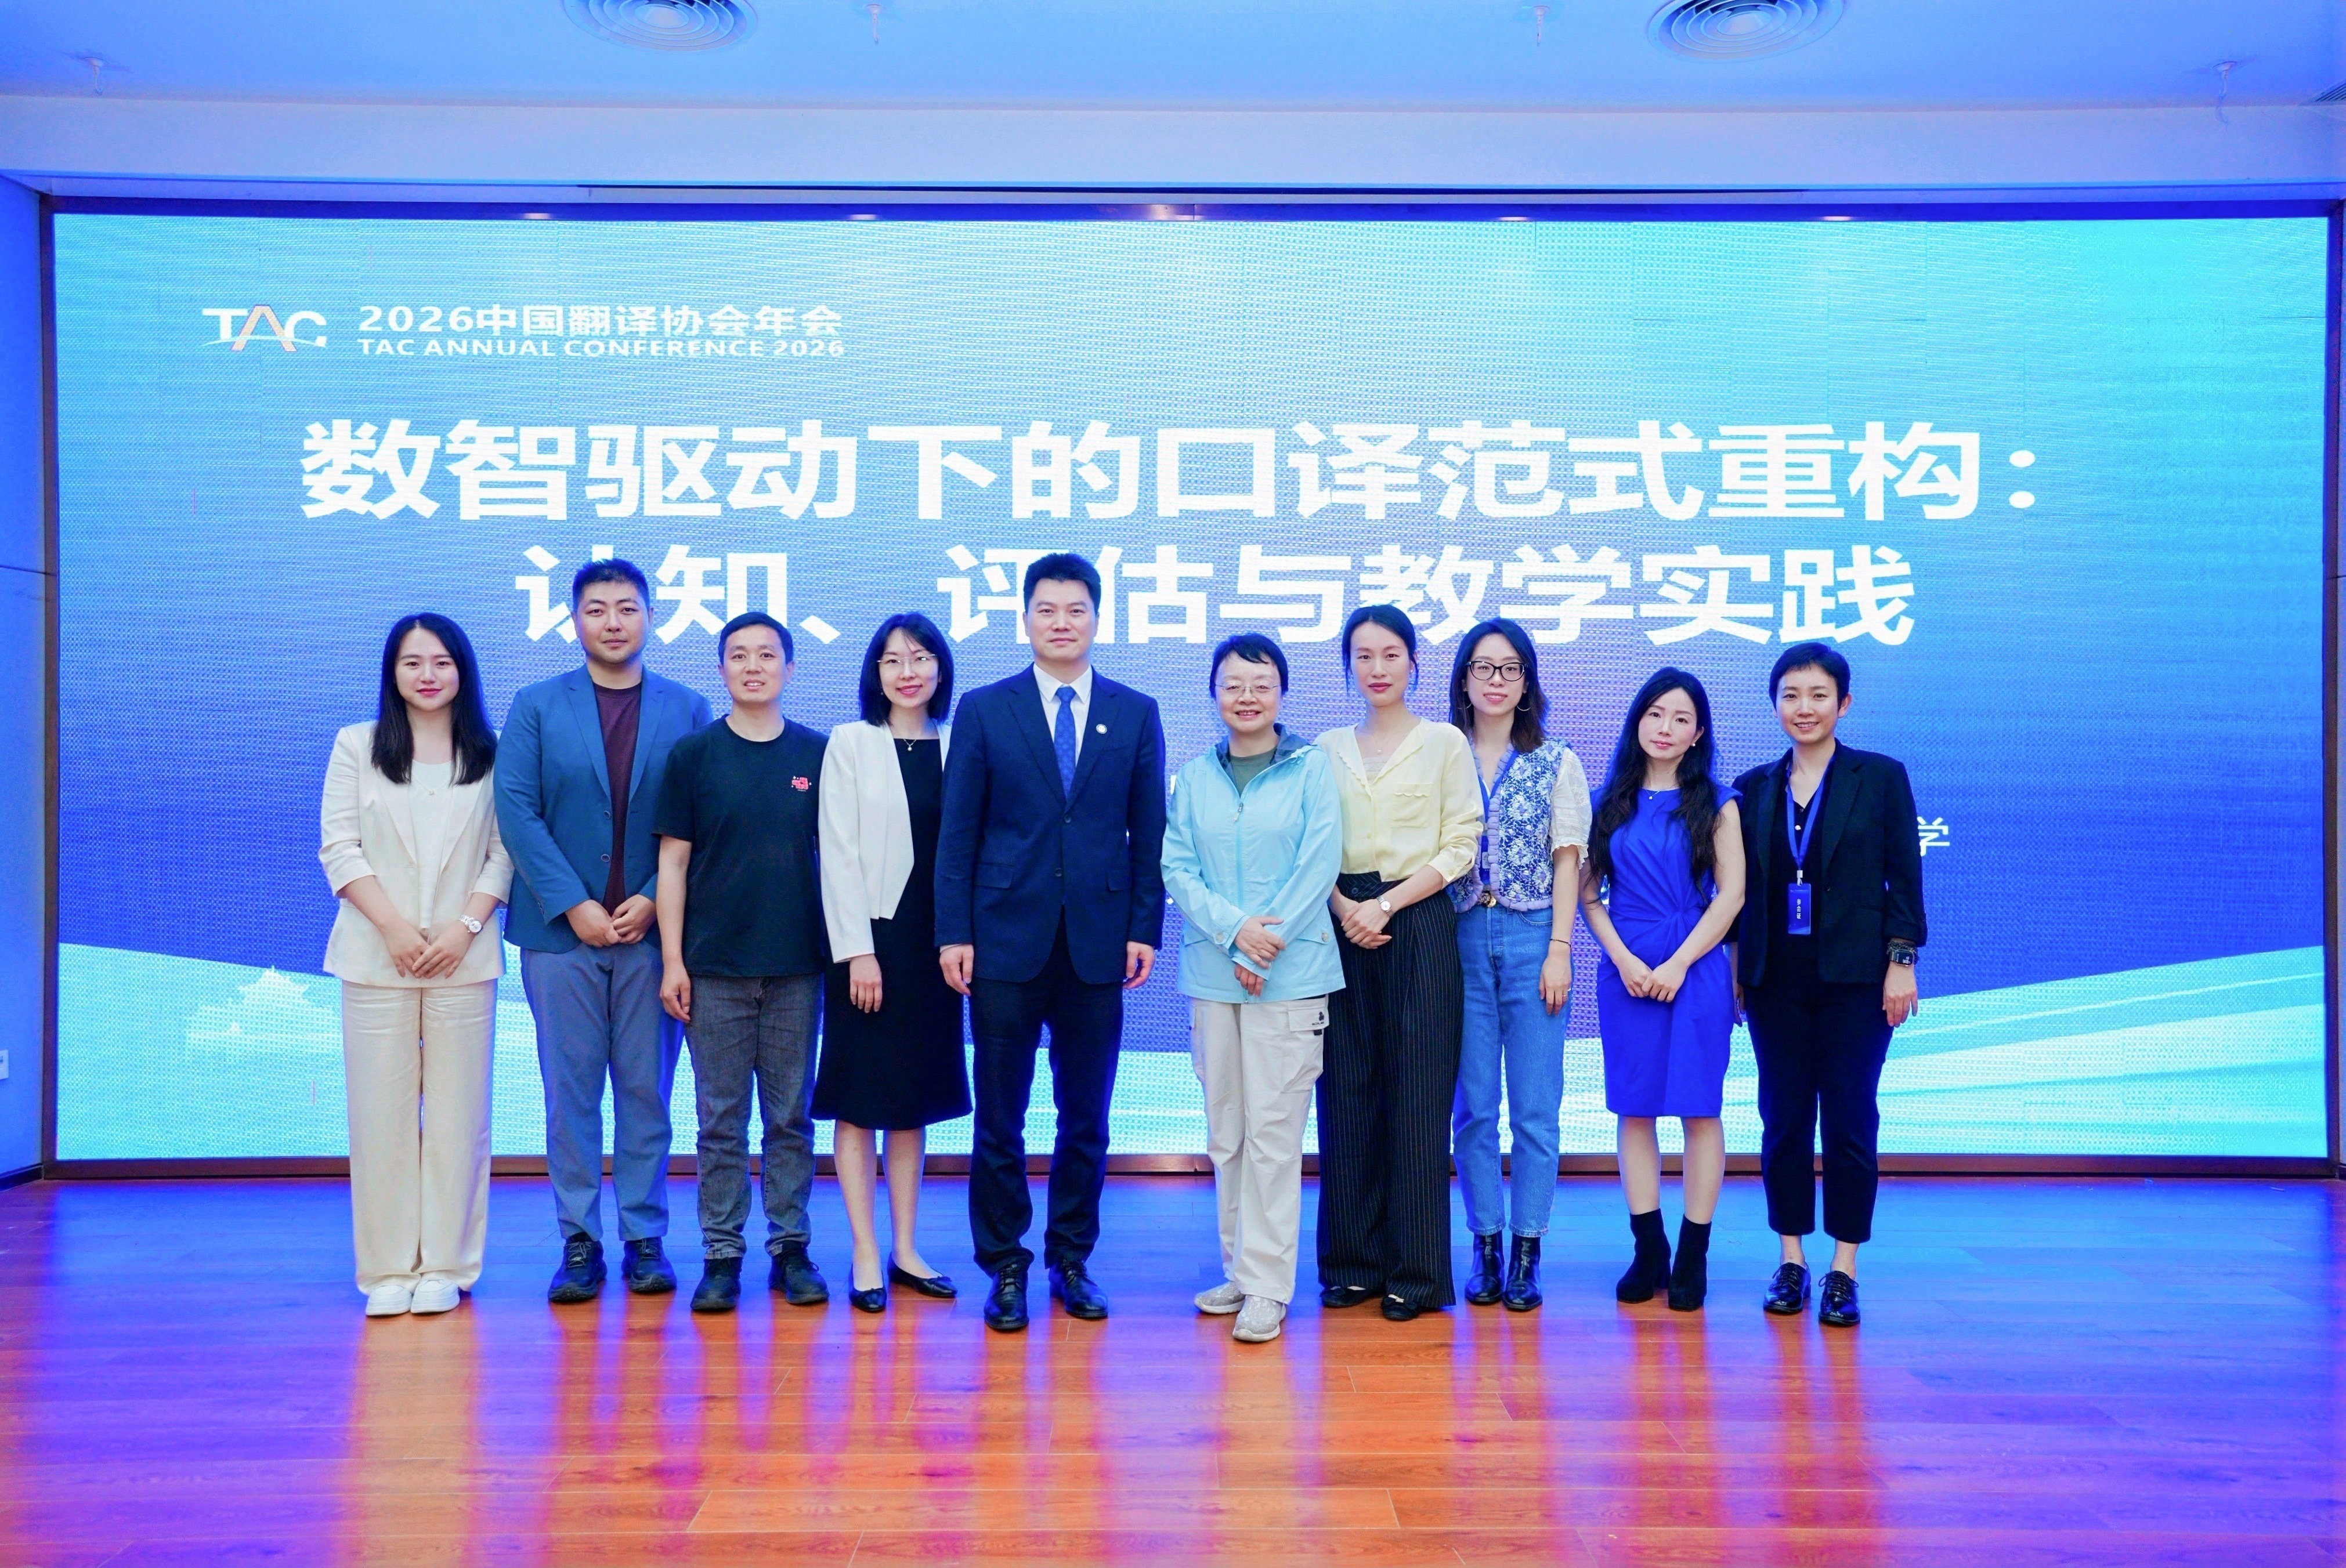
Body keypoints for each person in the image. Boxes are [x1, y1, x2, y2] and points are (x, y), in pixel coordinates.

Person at [935, 552, 1167, 1334]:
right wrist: (953, 931)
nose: (1061, 622)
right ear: (1026, 619)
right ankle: (1004, 1262)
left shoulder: (1134, 711)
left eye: (1075, 609)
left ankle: (1071, 1256)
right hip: (1002, 939)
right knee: (999, 1116)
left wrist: (1142, 927)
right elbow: (957, 833)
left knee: (1086, 1116)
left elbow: (1148, 832)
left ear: (1097, 617)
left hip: (1098, 944)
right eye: (1047, 609)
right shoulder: (984, 708)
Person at [496, 559, 712, 1305]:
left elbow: (704, 814)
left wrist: (652, 898)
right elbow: (516, 812)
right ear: (574, 620)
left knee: (647, 1091)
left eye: (626, 607)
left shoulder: (687, 707)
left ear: (651, 616)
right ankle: (579, 1240)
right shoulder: (535, 705)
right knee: (572, 1093)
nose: (612, 622)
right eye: (596, 609)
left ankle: (645, 1237)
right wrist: (572, 905)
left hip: (655, 938)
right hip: (561, 938)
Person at [320, 613, 512, 1318]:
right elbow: (339, 848)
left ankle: (447, 1267)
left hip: (465, 959)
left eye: (441, 662)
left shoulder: (492, 753)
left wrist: (465, 929)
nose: (428, 675)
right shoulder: (357, 745)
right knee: (381, 1118)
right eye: (412, 663)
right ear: (392, 672)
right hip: (377, 958)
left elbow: (504, 853)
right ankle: (387, 1270)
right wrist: (396, 930)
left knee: (460, 1119)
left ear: (463, 671)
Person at [1733, 642, 1925, 1330]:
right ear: (1774, 706)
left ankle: (1843, 1268)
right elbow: (1739, 892)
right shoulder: (1753, 788)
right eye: (1790, 695)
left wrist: (1900, 959)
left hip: (1856, 981)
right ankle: (1790, 1259)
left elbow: (1903, 876)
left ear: (1842, 703)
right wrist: (1737, 972)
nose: (1803, 707)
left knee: (1848, 1120)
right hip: (1774, 983)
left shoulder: (1879, 778)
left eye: (1817, 695)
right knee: (1783, 1120)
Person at [1162, 633, 1345, 1345]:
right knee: (1227, 1132)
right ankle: (1239, 1270)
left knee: (1273, 1134)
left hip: (1291, 976)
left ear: (1281, 693)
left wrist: (1265, 945)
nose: (1246, 697)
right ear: (1214, 693)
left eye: (1261, 684)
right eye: (1233, 685)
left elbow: (1318, 861)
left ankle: (1269, 1287)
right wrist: (1235, 933)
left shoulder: (1310, 767)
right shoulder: (1193, 778)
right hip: (1215, 975)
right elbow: (1177, 869)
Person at [653, 612, 832, 1315]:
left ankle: (791, 1247)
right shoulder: (693, 755)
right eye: (738, 655)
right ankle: (721, 1254)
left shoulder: (818, 754)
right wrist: (673, 960)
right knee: (720, 1121)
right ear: (721, 669)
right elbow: (672, 864)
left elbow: (839, 861)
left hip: (797, 967)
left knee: (790, 1118)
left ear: (789, 668)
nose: (753, 666)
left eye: (766, 655)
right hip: (713, 969)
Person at [1315, 604, 1482, 1323]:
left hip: (1416, 920)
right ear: (1348, 666)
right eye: (1363, 655)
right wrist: (1343, 907)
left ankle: (1414, 1274)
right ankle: (1351, 1264)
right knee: (1346, 1091)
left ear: (1413, 663)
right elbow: (1309, 842)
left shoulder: (1444, 741)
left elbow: (1461, 843)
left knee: (1417, 1097)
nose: (1376, 668)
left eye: (1390, 654)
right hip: (1339, 923)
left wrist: (1384, 906)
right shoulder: (1324, 749)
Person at [815, 613, 971, 1314]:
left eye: (921, 657)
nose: (908, 671)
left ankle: (906, 1249)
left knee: (912, 1102)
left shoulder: (960, 743)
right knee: (859, 1099)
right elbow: (838, 852)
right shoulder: (850, 743)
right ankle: (863, 1251)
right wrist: (857, 952)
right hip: (869, 942)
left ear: (940, 668)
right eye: (892, 660)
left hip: (936, 947)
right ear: (874, 674)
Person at [1579, 668, 1745, 1313]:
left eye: (1680, 718)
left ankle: (1692, 1254)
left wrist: (1677, 963)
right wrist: (1621, 957)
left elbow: (1731, 895)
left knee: (1699, 1110)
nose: (1665, 728)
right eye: (1654, 714)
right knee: (1635, 1108)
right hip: (1625, 969)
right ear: (1637, 721)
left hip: (1694, 967)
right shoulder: (1608, 801)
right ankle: (1647, 1248)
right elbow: (1588, 895)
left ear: (1698, 732)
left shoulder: (1718, 802)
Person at [1445, 618, 1590, 1313]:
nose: (1495, 680)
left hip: (1534, 937)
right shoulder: (1441, 754)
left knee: (1534, 1107)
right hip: (1458, 938)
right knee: (1473, 1107)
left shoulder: (1556, 760)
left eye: (1509, 668)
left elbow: (1569, 860)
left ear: (1527, 682)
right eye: (1483, 667)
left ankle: (1528, 1249)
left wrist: (1560, 947)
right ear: (1463, 680)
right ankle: (1484, 1244)